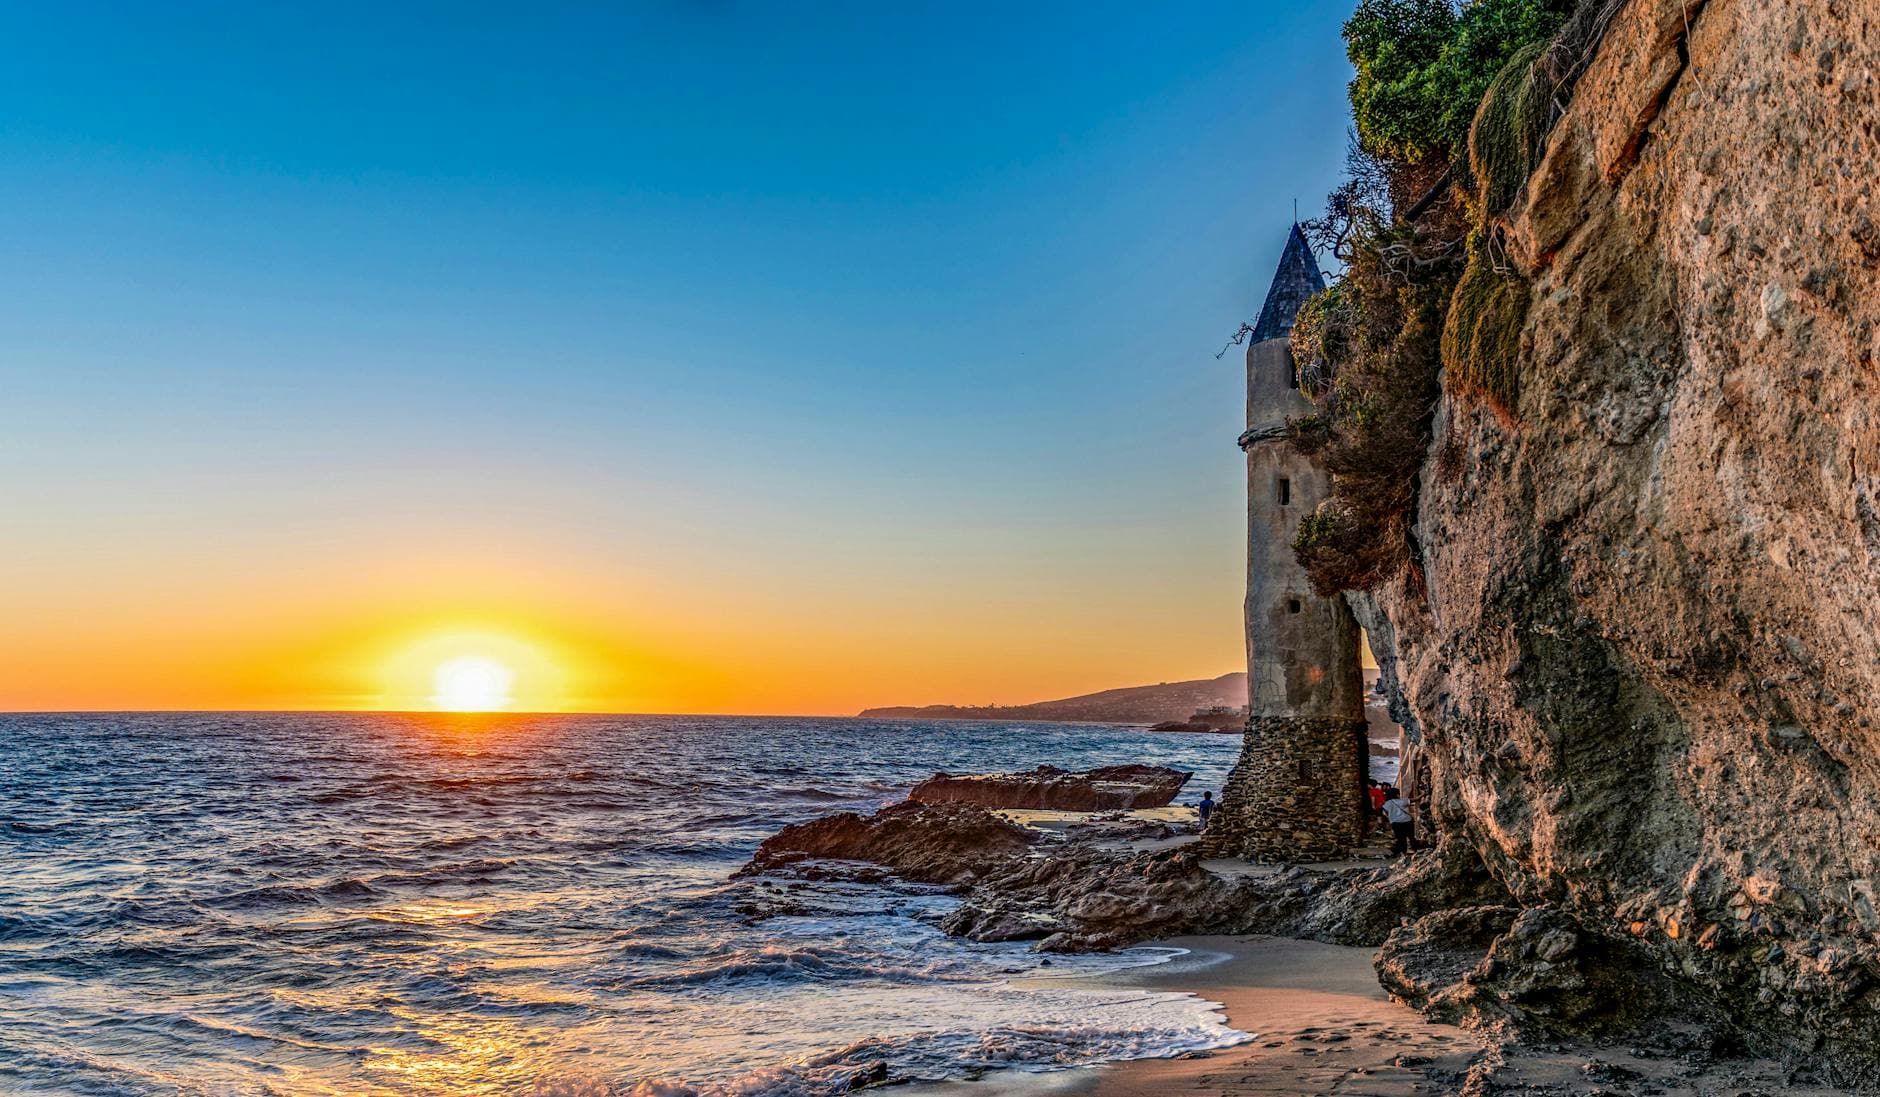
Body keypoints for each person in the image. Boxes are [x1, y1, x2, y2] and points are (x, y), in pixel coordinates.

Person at [1382, 786, 1414, 856]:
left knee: (1401, 838)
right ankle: (1414, 850)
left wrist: (1391, 817)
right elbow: (1414, 799)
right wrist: (1422, 795)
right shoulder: (1402, 801)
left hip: (1395, 823)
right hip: (1407, 821)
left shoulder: (1386, 804)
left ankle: (1403, 852)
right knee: (1411, 837)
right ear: (1397, 794)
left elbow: (1385, 813)